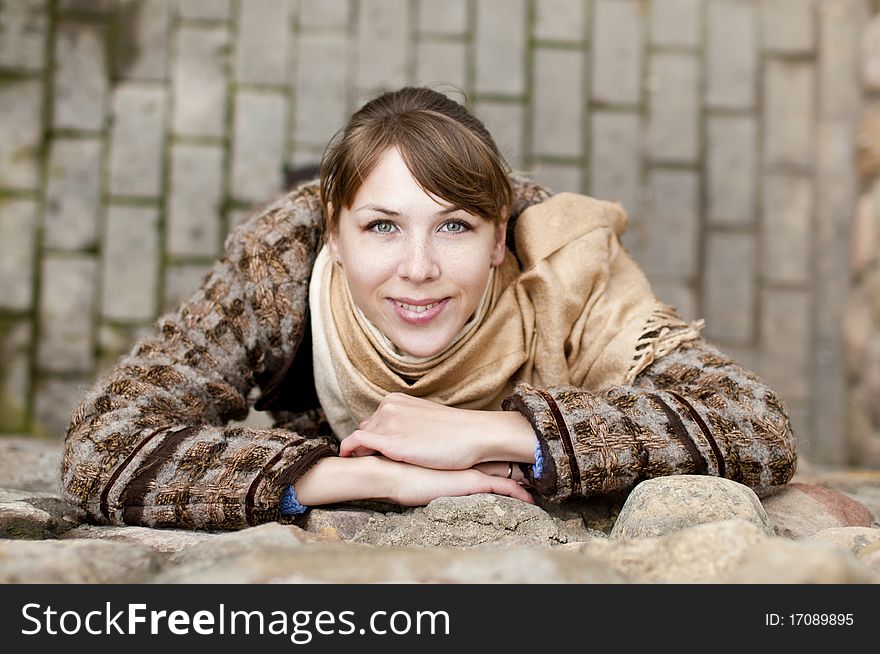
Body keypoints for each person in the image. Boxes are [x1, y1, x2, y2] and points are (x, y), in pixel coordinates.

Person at [61, 87, 797, 530]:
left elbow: (756, 425)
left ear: (499, 235)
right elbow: (101, 445)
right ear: (335, 235)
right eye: (382, 226)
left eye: (455, 226)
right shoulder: (277, 263)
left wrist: (499, 433)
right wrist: (366, 475)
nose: (419, 270)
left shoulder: (566, 268)